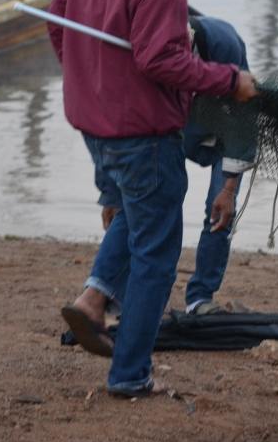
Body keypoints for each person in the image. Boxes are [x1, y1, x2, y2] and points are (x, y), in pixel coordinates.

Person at [49, 0, 258, 398]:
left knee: (138, 218)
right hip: (141, 133)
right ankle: (130, 375)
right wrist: (228, 79)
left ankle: (93, 301)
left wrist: (92, 78)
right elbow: (162, 61)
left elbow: (59, 29)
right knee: (157, 254)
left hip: (96, 128)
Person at [100, 16, 256, 316]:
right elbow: (124, 128)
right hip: (171, 130)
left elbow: (243, 118)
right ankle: (115, 293)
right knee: (140, 206)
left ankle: (200, 298)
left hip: (221, 131)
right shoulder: (143, 52)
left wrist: (229, 187)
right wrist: (112, 190)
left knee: (219, 210)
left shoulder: (223, 44)